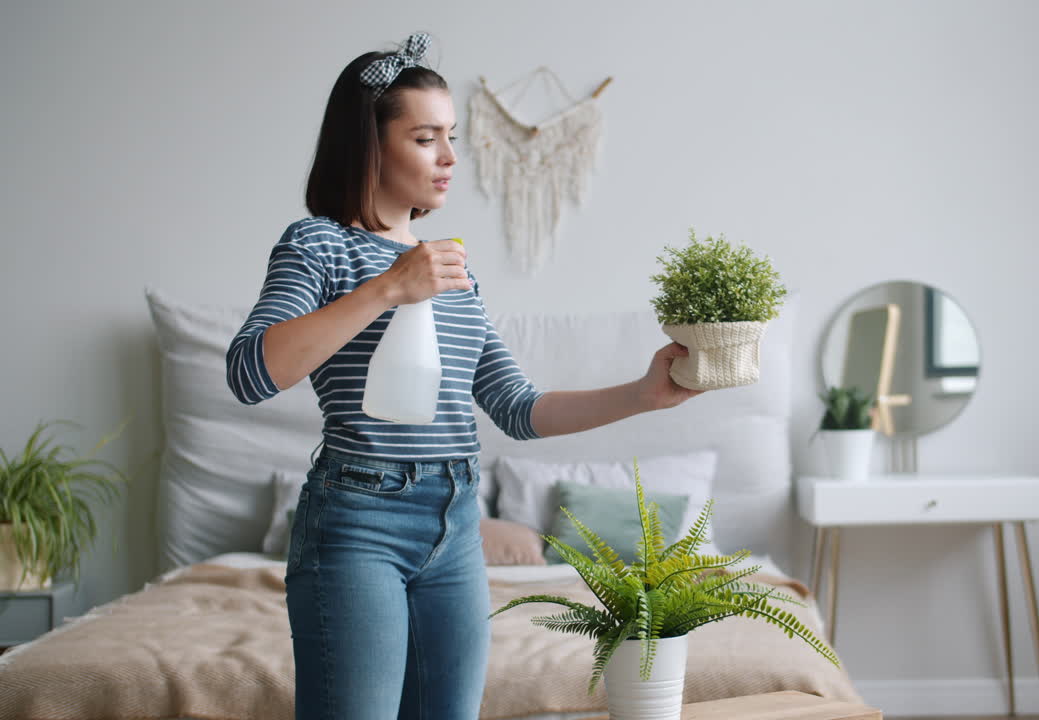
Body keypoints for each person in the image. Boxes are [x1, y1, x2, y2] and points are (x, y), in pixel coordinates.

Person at [225, 32, 701, 720]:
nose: (451, 158)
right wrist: (389, 288)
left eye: (451, 136)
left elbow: (514, 405)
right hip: (358, 521)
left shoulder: (452, 269)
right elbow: (249, 371)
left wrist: (643, 395)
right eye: (426, 138)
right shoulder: (319, 244)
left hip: (456, 525)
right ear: (370, 145)